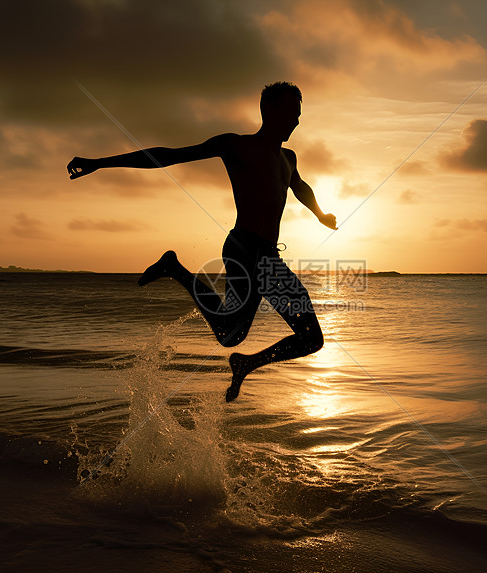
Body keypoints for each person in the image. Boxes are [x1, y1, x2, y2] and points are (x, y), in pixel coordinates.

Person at [67, 82, 336, 401]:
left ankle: (246, 362)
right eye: (292, 113)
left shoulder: (288, 158)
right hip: (243, 248)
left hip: (269, 257)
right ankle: (176, 270)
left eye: (299, 115)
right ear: (270, 109)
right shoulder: (236, 146)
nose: (297, 121)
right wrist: (101, 162)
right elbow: (169, 156)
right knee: (230, 333)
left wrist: (319, 214)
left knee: (309, 339)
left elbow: (299, 186)